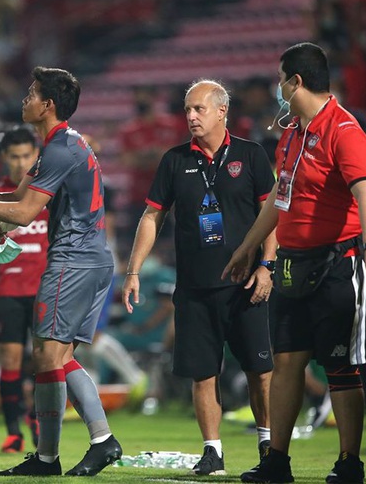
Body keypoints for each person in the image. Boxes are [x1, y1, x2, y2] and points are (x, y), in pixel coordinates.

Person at [0, 66, 122, 477]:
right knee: (54, 357)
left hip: (73, 259)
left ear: (47, 105)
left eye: (32, 93)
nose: (25, 99)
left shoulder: (58, 150)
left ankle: (98, 442)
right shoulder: (62, 144)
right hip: (89, 258)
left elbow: (22, 213)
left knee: (48, 356)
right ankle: (51, 457)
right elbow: (15, 196)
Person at [223, 42, 366, 484]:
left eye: (281, 80)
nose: (278, 88)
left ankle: (349, 463)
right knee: (286, 364)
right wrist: (249, 247)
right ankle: (277, 461)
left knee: (340, 367)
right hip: (292, 265)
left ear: (296, 81)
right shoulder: (293, 134)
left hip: (339, 263)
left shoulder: (345, 129)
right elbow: (280, 202)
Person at [121, 79, 276, 476]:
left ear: (222, 111)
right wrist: (133, 269)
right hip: (193, 287)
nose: (190, 116)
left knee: (261, 372)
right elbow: (152, 215)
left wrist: (267, 266)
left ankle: (268, 445)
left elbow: (272, 215)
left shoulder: (252, 155)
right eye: (187, 110)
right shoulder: (174, 160)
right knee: (202, 372)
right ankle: (213, 451)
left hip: (246, 286)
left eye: (199, 109)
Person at [0, 127, 47, 453]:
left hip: (44, 289)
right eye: (14, 156)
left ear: (35, 155)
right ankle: (12, 431)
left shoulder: (47, 192)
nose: (21, 163)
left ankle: (38, 424)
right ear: (4, 157)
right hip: (7, 289)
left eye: (26, 155)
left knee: (41, 361)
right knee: (10, 359)